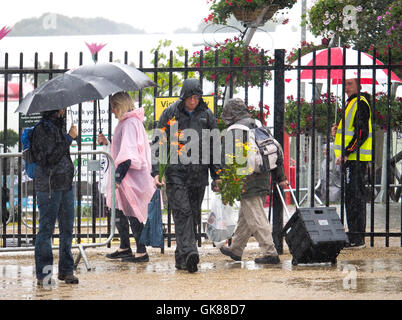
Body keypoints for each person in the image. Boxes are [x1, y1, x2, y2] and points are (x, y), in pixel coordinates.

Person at [151, 78, 221, 273]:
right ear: (183, 96)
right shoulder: (170, 113)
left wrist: (217, 175)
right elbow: (158, 143)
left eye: (196, 97)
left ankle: (181, 258)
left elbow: (215, 146)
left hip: (198, 174)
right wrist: (156, 171)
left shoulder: (206, 115)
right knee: (183, 213)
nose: (193, 101)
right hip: (176, 172)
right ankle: (191, 252)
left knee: (193, 215)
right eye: (190, 97)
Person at [218, 98, 288, 264]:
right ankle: (236, 249)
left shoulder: (234, 130)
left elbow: (226, 159)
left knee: (256, 217)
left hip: (246, 179)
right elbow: (273, 149)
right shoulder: (256, 125)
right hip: (263, 176)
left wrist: (222, 180)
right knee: (246, 216)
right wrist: (281, 177)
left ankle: (270, 252)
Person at [98, 92, 155, 262]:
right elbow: (125, 149)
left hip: (130, 177)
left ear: (120, 105)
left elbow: (128, 154)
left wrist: (117, 177)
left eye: (113, 107)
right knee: (120, 210)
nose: (112, 111)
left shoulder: (129, 123)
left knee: (131, 212)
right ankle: (125, 246)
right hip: (130, 175)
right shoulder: (131, 122)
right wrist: (108, 143)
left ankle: (141, 251)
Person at [31, 109, 78, 286]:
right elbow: (48, 158)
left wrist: (70, 136)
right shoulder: (41, 129)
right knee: (46, 230)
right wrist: (68, 138)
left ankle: (66, 270)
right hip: (49, 187)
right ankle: (44, 274)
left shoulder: (58, 126)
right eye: (62, 107)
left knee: (67, 230)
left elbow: (62, 155)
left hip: (65, 184)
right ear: (55, 108)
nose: (64, 110)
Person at [332, 78, 372, 249]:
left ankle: (357, 237)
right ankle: (354, 234)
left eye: (349, 84)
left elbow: (362, 133)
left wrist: (347, 152)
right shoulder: (351, 104)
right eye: (345, 84)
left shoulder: (360, 103)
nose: (346, 87)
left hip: (355, 159)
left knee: (355, 197)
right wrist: (336, 131)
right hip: (351, 158)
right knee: (351, 197)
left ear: (358, 85)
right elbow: (349, 131)